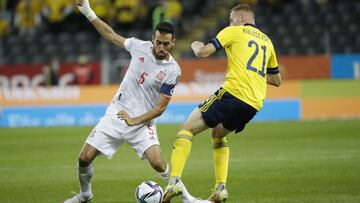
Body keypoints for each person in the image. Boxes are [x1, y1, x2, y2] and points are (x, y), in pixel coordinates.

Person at [162, 3, 281, 203]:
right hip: (253, 104)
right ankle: (221, 188)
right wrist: (254, 73)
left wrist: (196, 45)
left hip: (233, 94)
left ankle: (173, 181)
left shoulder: (234, 31)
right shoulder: (267, 42)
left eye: (231, 18)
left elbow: (204, 52)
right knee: (217, 134)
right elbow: (276, 80)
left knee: (186, 129)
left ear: (242, 18)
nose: (229, 22)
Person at [64, 0, 180, 202]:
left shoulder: (173, 71)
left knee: (158, 164)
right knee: (84, 157)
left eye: (166, 44)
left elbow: (160, 108)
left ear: (173, 43)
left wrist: (135, 120)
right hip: (117, 113)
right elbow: (110, 35)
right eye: (159, 42)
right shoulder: (138, 46)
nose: (162, 47)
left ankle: (186, 197)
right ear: (153, 39)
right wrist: (88, 12)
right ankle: (84, 195)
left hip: (142, 122)